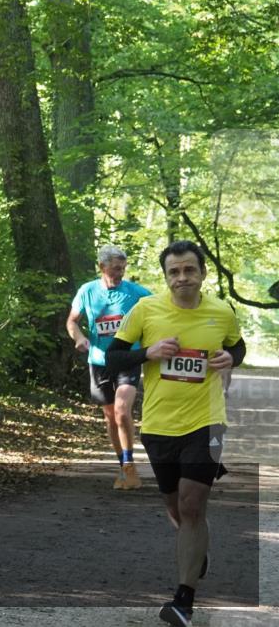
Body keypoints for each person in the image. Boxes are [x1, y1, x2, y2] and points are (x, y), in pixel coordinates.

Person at [106, 240, 246, 627]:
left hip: (207, 421)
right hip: (159, 425)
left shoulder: (221, 311)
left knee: (192, 505)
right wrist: (147, 353)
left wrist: (230, 358)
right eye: (174, 271)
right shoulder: (146, 310)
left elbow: (238, 347)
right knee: (176, 509)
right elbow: (113, 357)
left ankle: (183, 601)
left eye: (189, 270)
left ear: (202, 273)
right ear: (166, 276)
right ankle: (195, 549)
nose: (182, 277)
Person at [66, 245, 152, 489]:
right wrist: (79, 338)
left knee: (122, 411)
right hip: (99, 361)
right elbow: (72, 321)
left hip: (127, 359)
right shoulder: (87, 291)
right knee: (111, 416)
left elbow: (161, 310)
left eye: (123, 268)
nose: (120, 273)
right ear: (102, 267)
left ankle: (129, 465)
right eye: (115, 268)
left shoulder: (137, 292)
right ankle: (122, 465)